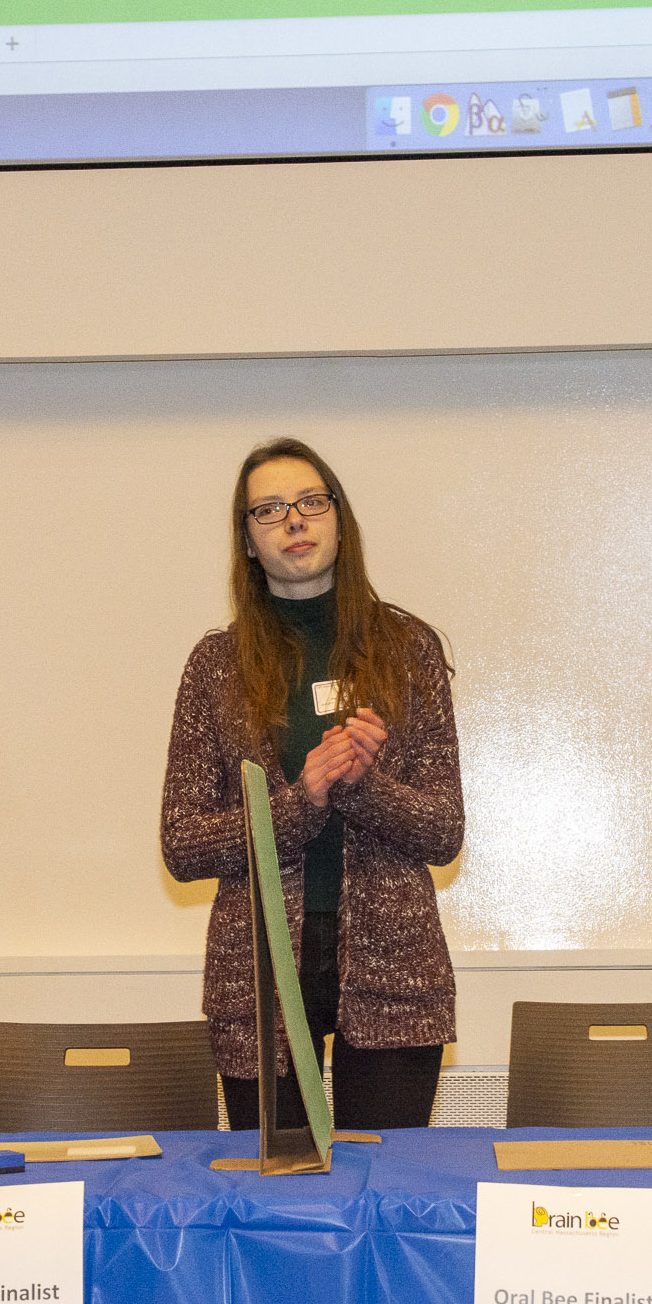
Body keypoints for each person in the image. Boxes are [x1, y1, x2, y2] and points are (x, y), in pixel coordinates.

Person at [161, 439, 463, 1132]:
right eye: (268, 510)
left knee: (386, 1182)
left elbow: (444, 831)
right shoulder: (216, 665)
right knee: (280, 1186)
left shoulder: (408, 650)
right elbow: (182, 844)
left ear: (339, 520)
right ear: (247, 540)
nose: (293, 520)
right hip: (260, 976)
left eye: (310, 502)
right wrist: (303, 801)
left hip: (394, 971)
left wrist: (360, 786)